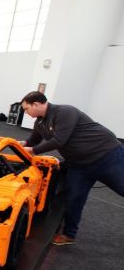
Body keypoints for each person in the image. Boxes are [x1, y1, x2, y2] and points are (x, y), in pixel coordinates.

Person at [20, 91, 124, 245]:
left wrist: (34, 151)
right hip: (79, 164)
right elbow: (33, 140)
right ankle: (69, 234)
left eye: (26, 108)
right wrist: (22, 144)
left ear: (36, 104)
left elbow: (59, 140)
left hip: (106, 156)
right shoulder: (40, 123)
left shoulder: (65, 112)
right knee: (74, 198)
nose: (26, 112)